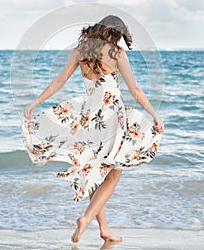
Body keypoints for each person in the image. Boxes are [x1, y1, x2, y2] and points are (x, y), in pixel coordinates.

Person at [23, 15, 164, 244]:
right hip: (111, 117)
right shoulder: (117, 53)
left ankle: (104, 229)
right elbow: (135, 89)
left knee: (94, 171)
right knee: (114, 173)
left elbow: (59, 82)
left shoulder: (80, 50)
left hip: (88, 117)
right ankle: (87, 219)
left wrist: (34, 103)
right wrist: (154, 114)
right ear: (115, 33)